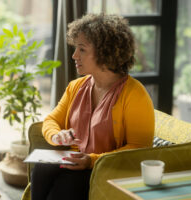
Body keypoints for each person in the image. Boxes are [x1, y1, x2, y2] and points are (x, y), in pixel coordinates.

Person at [31, 13, 154, 200]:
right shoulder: (76, 87)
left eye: (82, 49)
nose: (74, 56)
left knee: (66, 185)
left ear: (106, 52)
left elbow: (139, 148)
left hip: (107, 169)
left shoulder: (135, 94)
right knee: (42, 167)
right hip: (75, 160)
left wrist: (92, 160)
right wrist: (56, 135)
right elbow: (52, 120)